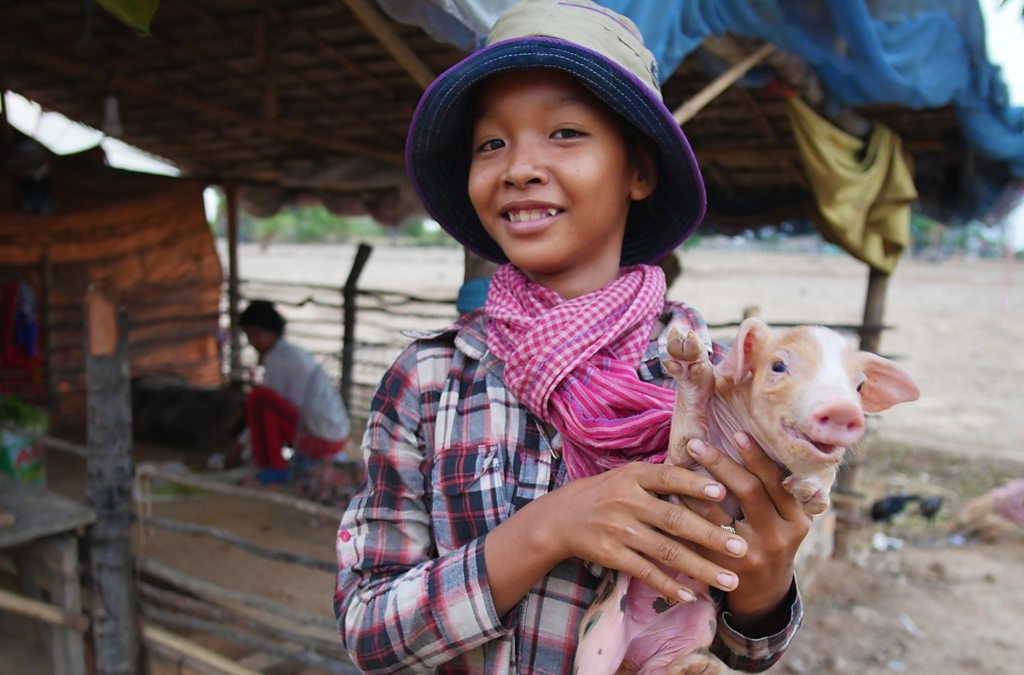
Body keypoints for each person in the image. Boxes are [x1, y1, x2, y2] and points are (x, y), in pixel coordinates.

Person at [334, 2, 809, 672]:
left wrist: (761, 593)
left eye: (564, 132)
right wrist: (546, 528)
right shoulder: (429, 378)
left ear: (639, 171)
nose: (519, 166)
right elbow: (367, 630)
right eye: (490, 143)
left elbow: (743, 647)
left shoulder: (716, 383)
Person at [237, 300, 351, 495]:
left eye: (254, 335)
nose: (252, 342)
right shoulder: (292, 353)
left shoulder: (278, 358)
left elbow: (268, 410)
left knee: (260, 398)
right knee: (264, 399)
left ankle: (272, 466)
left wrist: (240, 445)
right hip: (337, 437)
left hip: (321, 441)